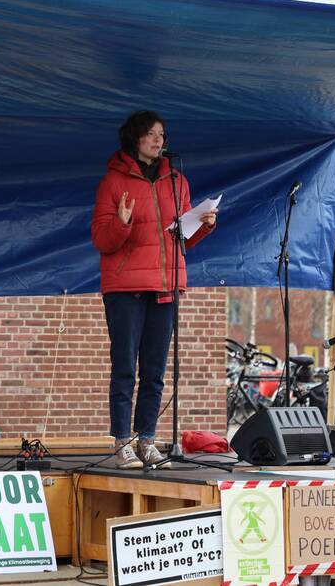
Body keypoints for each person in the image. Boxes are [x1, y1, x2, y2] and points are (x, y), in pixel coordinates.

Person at [90, 111, 217, 469]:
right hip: (126, 287)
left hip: (166, 285)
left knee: (155, 371)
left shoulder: (177, 181)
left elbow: (181, 239)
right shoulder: (113, 182)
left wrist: (202, 225)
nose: (158, 140)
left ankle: (147, 440)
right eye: (150, 134)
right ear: (134, 138)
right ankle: (122, 442)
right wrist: (122, 223)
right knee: (125, 368)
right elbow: (102, 238)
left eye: (161, 134)